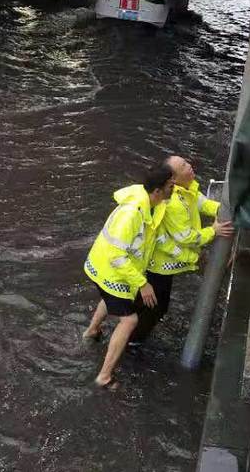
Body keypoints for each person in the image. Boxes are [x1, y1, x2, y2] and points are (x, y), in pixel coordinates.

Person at [82, 162, 174, 387]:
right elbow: (116, 255)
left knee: (111, 298)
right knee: (130, 320)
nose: (175, 189)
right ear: (157, 191)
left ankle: (92, 331)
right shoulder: (132, 214)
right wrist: (142, 283)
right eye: (171, 186)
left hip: (103, 268)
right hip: (111, 271)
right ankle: (104, 376)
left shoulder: (150, 202)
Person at [133, 156, 233, 344]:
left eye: (186, 163)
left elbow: (203, 204)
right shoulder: (174, 203)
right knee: (155, 306)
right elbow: (185, 237)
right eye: (184, 166)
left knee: (155, 305)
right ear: (174, 179)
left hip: (168, 258)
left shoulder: (188, 188)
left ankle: (134, 329)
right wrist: (213, 230)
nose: (190, 166)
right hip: (160, 264)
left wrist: (225, 210)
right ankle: (134, 340)